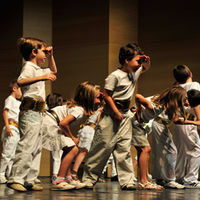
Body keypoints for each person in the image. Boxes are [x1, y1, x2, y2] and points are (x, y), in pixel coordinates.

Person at [82, 43, 150, 190]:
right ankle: (89, 178)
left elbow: (146, 67)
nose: (140, 64)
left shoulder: (134, 72)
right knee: (102, 146)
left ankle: (126, 181)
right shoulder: (115, 76)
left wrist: (145, 59)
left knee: (124, 148)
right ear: (126, 60)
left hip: (125, 116)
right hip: (111, 115)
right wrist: (115, 112)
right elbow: (106, 96)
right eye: (137, 61)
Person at [7, 37, 57, 192]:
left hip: (38, 112)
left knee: (36, 147)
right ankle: (15, 178)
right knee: (27, 144)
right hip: (30, 111)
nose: (45, 53)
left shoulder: (38, 69)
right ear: (34, 52)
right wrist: (43, 77)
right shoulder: (29, 66)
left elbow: (54, 71)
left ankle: (29, 178)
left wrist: (50, 56)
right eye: (43, 51)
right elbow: (21, 82)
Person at [41, 82, 101, 190]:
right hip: (49, 123)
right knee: (73, 148)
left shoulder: (78, 108)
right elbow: (63, 123)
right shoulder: (79, 110)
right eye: (97, 98)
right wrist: (72, 137)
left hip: (51, 122)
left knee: (70, 148)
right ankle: (60, 179)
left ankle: (68, 177)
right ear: (89, 98)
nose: (99, 101)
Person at [172, 65, 200, 188]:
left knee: (180, 150)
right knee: (195, 150)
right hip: (189, 121)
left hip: (177, 122)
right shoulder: (194, 85)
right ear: (191, 74)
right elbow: (196, 104)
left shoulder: (175, 88)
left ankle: (178, 176)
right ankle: (191, 179)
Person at [0, 80, 22, 184]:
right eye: (20, 89)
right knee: (7, 153)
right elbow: (5, 111)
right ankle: (1, 173)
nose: (21, 92)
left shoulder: (18, 102)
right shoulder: (10, 99)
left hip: (16, 128)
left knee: (13, 154)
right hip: (11, 127)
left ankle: (8, 174)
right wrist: (8, 126)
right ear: (14, 88)